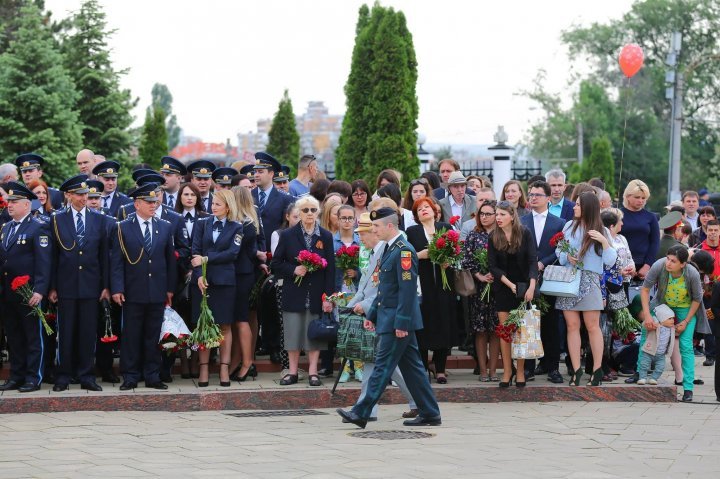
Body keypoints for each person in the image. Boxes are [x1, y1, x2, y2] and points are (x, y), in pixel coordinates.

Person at [336, 207, 441, 429]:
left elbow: (407, 290)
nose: (373, 230)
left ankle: (360, 412)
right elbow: (385, 290)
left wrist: (402, 322)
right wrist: (372, 314)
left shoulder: (403, 251)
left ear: (390, 226)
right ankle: (430, 412)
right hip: (389, 318)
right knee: (413, 369)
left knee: (382, 366)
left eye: (376, 226)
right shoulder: (389, 249)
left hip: (396, 322)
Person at [345, 212, 419, 420]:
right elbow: (365, 287)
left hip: (392, 316)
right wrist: (351, 306)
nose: (362, 237)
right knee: (394, 364)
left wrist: (368, 307)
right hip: (380, 314)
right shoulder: (376, 252)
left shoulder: (393, 250)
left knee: (381, 362)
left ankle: (364, 410)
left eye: (365, 232)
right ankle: (422, 404)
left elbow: (397, 290)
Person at [110, 183, 177, 391]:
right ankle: (130, 375)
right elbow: (117, 262)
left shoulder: (164, 226)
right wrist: (117, 288)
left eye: (155, 201)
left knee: (152, 335)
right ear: (137, 204)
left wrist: (169, 289)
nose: (153, 205)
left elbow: (169, 262)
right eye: (149, 202)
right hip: (133, 290)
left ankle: (152, 375)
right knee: (131, 336)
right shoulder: (122, 227)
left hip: (156, 290)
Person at [49, 175, 108, 392]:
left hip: (91, 285)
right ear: (68, 195)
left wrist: (105, 285)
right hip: (66, 285)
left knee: (87, 332)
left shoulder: (99, 219)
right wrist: (52, 286)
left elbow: (104, 257)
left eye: (86, 194)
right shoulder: (56, 219)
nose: (85, 198)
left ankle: (86, 375)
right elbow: (53, 257)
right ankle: (63, 375)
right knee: (65, 332)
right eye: (80, 194)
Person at [271, 195, 335, 387]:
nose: (309, 214)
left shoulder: (325, 236)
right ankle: (292, 372)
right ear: (298, 213)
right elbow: (275, 263)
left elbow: (330, 269)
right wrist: (294, 270)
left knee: (313, 332)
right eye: (305, 210)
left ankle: (313, 372)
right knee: (293, 332)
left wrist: (328, 297)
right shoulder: (288, 235)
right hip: (294, 291)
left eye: (313, 210)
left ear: (318, 213)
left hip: (316, 292)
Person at [556, 192, 617, 387]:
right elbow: (559, 249)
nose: (574, 207)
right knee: (572, 326)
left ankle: (597, 370)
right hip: (570, 279)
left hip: (590, 280)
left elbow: (611, 261)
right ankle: (576, 370)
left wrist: (604, 241)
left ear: (588, 207)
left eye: (578, 204)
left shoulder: (602, 230)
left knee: (592, 326)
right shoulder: (569, 226)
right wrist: (568, 257)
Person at [639, 245, 712, 402]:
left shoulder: (691, 273)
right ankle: (640, 373)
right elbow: (645, 289)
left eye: (673, 261)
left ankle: (688, 388)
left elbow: (697, 299)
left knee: (685, 345)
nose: (668, 263)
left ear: (683, 264)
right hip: (663, 304)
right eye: (668, 259)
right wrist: (648, 316)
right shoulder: (659, 265)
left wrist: (685, 321)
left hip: (686, 308)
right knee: (646, 330)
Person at [0, 183, 52, 393]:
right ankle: (17, 375)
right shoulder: (6, 228)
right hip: (8, 293)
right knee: (14, 337)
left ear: (26, 205)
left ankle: (33, 377)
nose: (9, 206)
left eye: (14, 202)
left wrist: (39, 290)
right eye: (9, 202)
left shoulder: (38, 226)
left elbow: (44, 262)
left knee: (32, 337)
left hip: (29, 293)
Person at [190, 190, 244, 387]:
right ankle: (203, 367)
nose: (213, 207)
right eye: (213, 203)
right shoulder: (201, 223)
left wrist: (207, 258)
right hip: (203, 282)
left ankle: (223, 367)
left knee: (224, 326)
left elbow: (232, 253)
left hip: (224, 282)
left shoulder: (237, 227)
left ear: (228, 207)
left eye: (218, 204)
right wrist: (199, 276)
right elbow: (194, 253)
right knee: (203, 325)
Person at [406, 197, 458, 384]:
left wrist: (448, 260)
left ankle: (440, 367)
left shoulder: (446, 228)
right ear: (416, 216)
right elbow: (406, 255)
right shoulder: (412, 232)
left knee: (443, 321)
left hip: (444, 283)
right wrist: (422, 255)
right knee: (424, 323)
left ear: (435, 211)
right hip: (423, 284)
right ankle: (422, 366)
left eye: (427, 207)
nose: (424, 211)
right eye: (419, 210)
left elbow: (456, 253)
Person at [488, 201, 538, 387]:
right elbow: (493, 266)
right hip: (504, 288)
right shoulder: (493, 236)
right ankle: (507, 370)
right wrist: (509, 285)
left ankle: (520, 371)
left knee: (521, 331)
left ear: (511, 215)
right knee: (505, 332)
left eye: (502, 214)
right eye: (497, 214)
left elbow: (533, 260)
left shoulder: (524, 233)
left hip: (524, 287)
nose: (498, 218)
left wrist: (532, 286)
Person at [520, 181, 566, 383]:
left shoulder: (559, 223)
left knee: (551, 324)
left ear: (549, 198)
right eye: (531, 194)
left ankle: (553, 367)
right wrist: (532, 266)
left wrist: (542, 263)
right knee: (529, 322)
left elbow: (560, 250)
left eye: (538, 194)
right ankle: (528, 367)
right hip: (526, 278)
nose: (533, 198)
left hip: (550, 277)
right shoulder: (521, 221)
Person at [462, 199, 501, 382]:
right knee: (480, 330)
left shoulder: (502, 235)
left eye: (488, 214)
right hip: (479, 289)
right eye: (481, 214)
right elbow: (466, 260)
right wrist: (479, 275)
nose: (484, 217)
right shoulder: (473, 235)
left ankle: (494, 370)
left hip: (499, 287)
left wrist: (497, 275)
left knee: (496, 330)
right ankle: (483, 370)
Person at [229, 186, 261, 382]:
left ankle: (247, 362)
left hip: (242, 274)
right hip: (236, 274)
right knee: (234, 320)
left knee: (241, 319)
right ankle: (236, 360)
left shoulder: (245, 224)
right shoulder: (241, 222)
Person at [620, 179, 659, 280]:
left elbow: (655, 243)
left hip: (644, 266)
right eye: (637, 197)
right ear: (628, 196)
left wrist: (647, 266)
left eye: (643, 198)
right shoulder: (618, 215)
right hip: (621, 265)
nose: (641, 201)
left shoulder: (651, 217)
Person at [636, 304, 676, 385]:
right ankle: (642, 378)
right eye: (669, 318)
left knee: (660, 368)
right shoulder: (655, 325)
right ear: (662, 319)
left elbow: (678, 332)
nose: (672, 320)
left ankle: (654, 378)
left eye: (673, 318)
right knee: (644, 365)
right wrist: (652, 320)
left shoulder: (672, 328)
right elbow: (644, 325)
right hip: (648, 351)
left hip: (661, 354)